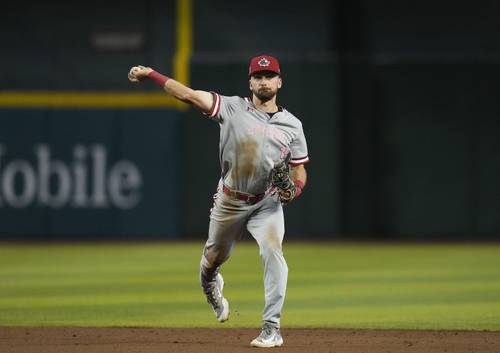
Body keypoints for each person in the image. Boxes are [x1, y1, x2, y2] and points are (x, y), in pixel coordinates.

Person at [128, 55, 309, 348]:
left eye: (269, 76)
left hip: (267, 202)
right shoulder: (231, 107)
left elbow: (299, 167)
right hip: (230, 199)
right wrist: (152, 74)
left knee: (273, 252)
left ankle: (272, 328)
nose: (264, 81)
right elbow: (186, 95)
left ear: (279, 82)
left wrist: (295, 190)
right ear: (250, 82)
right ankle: (210, 284)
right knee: (213, 259)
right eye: (258, 76)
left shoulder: (293, 125)